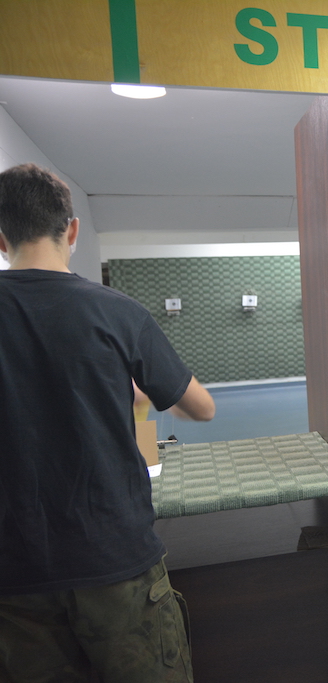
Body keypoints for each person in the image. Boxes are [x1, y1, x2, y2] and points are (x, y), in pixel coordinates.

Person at [0, 163, 216, 682]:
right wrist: (141, 396)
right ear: (72, 230)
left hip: (15, 572)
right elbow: (200, 407)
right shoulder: (117, 311)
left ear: (1, 238)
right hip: (114, 559)